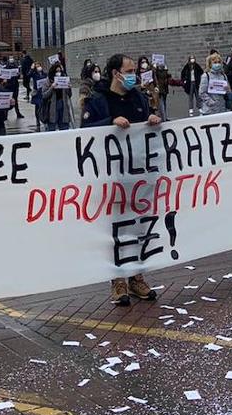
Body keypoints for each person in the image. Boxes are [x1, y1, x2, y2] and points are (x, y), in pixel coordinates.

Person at [82, 54, 161, 306]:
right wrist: (109, 123)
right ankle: (118, 281)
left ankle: (136, 277)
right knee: (115, 228)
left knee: (138, 226)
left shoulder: (138, 97)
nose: (133, 74)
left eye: (134, 70)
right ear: (115, 73)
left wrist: (152, 121)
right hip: (111, 174)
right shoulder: (98, 99)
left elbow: (148, 124)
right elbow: (85, 133)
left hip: (138, 174)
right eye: (129, 70)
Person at [39, 61, 73, 130]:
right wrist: (51, 87)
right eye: (57, 71)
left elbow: (69, 95)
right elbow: (44, 95)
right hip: (52, 108)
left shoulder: (64, 79)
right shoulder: (48, 80)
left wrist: (69, 87)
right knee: (52, 127)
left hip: (63, 107)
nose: (58, 73)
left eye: (60, 71)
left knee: (64, 127)